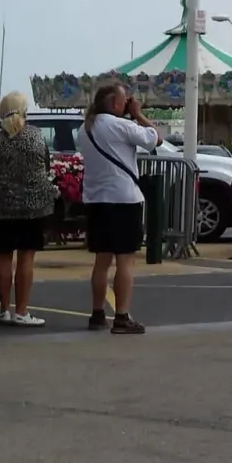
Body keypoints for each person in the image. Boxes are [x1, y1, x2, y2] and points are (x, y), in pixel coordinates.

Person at [77, 81, 158, 335]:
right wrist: (138, 114)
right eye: (124, 100)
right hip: (124, 200)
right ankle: (121, 316)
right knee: (125, 260)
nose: (126, 103)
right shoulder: (122, 125)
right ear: (114, 104)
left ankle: (97, 313)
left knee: (102, 260)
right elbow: (154, 139)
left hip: (96, 200)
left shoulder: (85, 128)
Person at [0, 90, 52, 327]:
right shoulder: (35, 135)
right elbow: (46, 163)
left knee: (3, 257)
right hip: (33, 205)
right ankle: (22, 311)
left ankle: (3, 309)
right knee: (26, 257)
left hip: (2, 204)